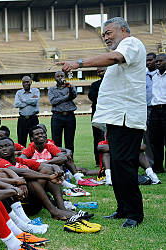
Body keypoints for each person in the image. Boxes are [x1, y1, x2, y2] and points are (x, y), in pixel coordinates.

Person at [59, 17, 147, 228]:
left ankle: (135, 213)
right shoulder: (124, 46)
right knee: (116, 165)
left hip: (127, 117)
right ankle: (123, 208)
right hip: (117, 118)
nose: (106, 38)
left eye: (109, 33)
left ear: (124, 30)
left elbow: (114, 58)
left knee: (124, 165)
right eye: (104, 35)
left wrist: (79, 63)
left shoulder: (131, 44)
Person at [0, 137, 78, 221]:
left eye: (7, 146)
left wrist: (57, 171)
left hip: (34, 201)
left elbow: (47, 167)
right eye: (0, 147)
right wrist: (48, 177)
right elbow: (21, 171)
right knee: (32, 180)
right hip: (21, 205)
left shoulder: (20, 160)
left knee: (48, 172)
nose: (4, 149)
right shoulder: (1, 163)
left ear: (14, 147)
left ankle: (62, 208)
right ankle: (54, 211)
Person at [48, 71, 77, 155]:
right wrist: (66, 97)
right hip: (57, 116)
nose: (60, 77)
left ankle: (70, 161)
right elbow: (53, 101)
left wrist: (70, 89)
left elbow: (73, 96)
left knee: (70, 141)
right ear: (55, 78)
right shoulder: (52, 89)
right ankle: (59, 161)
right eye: (58, 76)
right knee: (56, 141)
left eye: (62, 76)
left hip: (70, 116)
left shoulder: (70, 87)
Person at [148, 53, 166, 174]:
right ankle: (158, 167)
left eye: (161, 61)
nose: (158, 63)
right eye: (157, 61)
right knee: (155, 141)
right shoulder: (152, 76)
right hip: (154, 110)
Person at [88, 68, 107, 166]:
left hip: (111, 114)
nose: (101, 73)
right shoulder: (95, 85)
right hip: (97, 114)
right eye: (99, 72)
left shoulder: (113, 83)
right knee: (97, 137)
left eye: (103, 71)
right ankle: (98, 161)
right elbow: (92, 97)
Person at [14, 75, 40, 147]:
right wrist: (30, 101)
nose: (25, 84)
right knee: (21, 141)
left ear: (31, 82)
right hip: (22, 119)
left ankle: (35, 157)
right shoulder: (19, 92)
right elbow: (16, 104)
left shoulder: (36, 91)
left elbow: (35, 102)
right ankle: (22, 157)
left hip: (33, 119)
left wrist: (24, 100)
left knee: (35, 139)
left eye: (27, 82)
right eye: (24, 82)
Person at [144, 52, 157, 166]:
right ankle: (151, 164)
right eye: (146, 61)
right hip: (147, 109)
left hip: (160, 108)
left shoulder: (161, 74)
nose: (148, 63)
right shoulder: (142, 76)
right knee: (147, 138)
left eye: (150, 60)